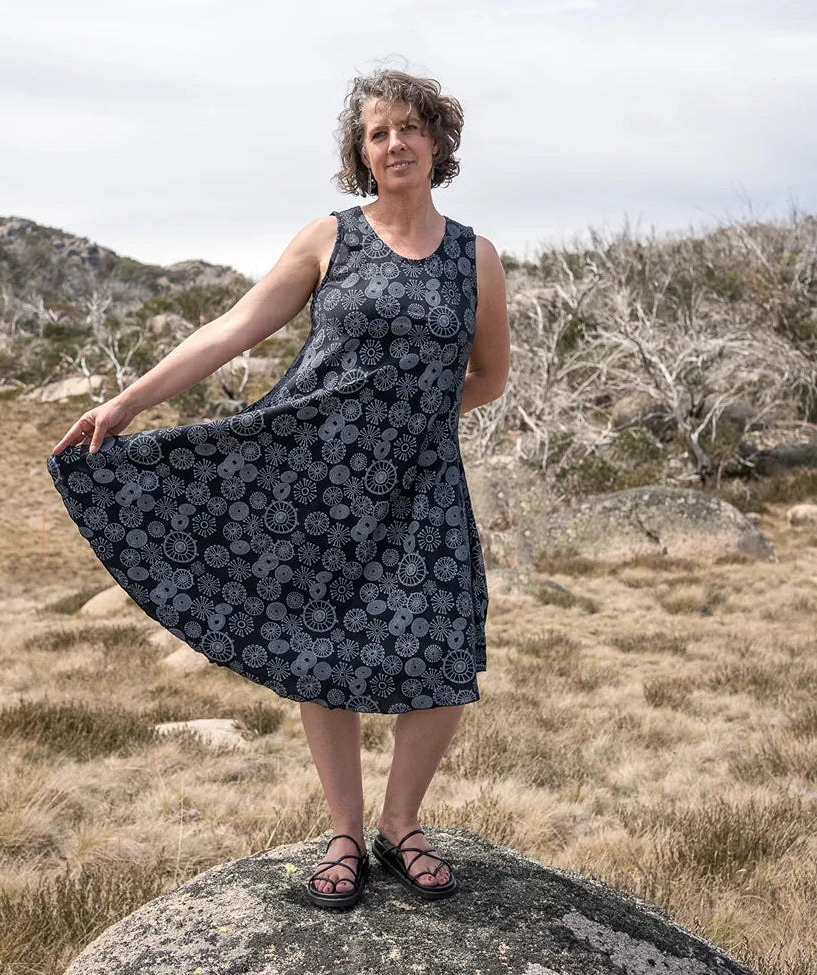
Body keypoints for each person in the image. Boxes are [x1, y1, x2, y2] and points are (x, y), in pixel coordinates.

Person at [48, 68, 510, 910]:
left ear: (438, 141)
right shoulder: (329, 239)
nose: (395, 142)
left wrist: (414, 423)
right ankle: (343, 829)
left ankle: (401, 823)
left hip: (420, 479)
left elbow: (488, 376)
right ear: (361, 153)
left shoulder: (474, 256)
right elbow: (231, 329)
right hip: (313, 474)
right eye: (378, 133)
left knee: (443, 645)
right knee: (322, 645)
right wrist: (125, 402)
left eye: (410, 127)